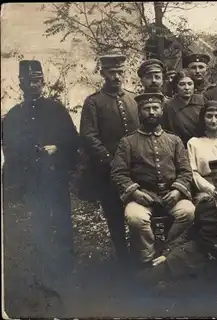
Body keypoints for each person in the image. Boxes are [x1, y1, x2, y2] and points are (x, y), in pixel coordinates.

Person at [2, 59, 79, 301]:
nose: (34, 85)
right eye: (29, 81)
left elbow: (73, 140)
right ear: (21, 84)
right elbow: (9, 149)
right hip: (32, 179)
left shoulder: (56, 109)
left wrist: (57, 148)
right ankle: (44, 267)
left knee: (62, 218)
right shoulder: (13, 116)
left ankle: (67, 265)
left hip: (55, 175)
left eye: (38, 80)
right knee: (39, 221)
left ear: (43, 82)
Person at [140, 159, 217, 304]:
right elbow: (191, 231)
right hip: (195, 256)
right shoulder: (205, 205)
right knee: (144, 279)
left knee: (166, 291)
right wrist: (168, 253)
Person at [110, 92, 195, 268]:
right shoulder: (128, 142)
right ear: (139, 113)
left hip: (171, 196)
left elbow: (186, 171)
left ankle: (168, 250)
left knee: (189, 212)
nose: (151, 112)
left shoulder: (174, 140)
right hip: (142, 197)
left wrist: (178, 190)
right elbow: (118, 173)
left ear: (161, 111)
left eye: (155, 108)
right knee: (135, 217)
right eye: (146, 109)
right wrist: (135, 192)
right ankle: (147, 259)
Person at [80, 53, 140, 262]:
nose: (116, 76)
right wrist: (110, 161)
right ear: (103, 73)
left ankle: (139, 256)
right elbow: (89, 136)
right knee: (114, 215)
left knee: (137, 214)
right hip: (108, 173)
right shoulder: (93, 103)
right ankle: (123, 260)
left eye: (120, 72)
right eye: (112, 72)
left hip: (136, 171)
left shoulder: (134, 100)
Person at [163, 70, 205, 146]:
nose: (186, 88)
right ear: (176, 86)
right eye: (182, 84)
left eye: (190, 84)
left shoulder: (202, 101)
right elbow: (167, 131)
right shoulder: (169, 106)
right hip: (179, 146)